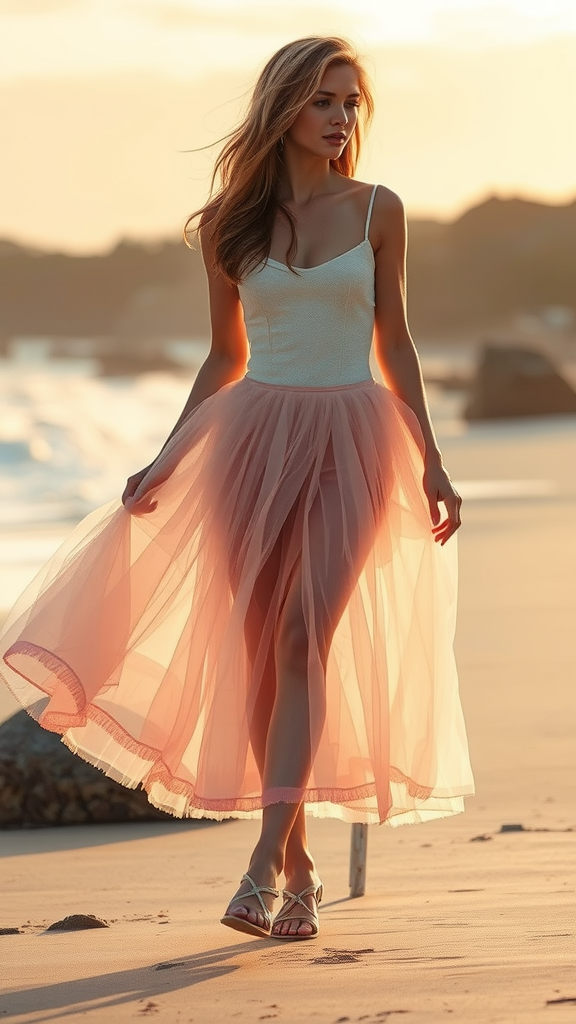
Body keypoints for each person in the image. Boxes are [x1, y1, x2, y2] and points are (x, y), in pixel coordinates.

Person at [0, 36, 474, 942]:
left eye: (350, 105)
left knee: (304, 635)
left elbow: (396, 343)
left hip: (353, 440)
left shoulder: (379, 209)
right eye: (325, 102)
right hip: (247, 445)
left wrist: (432, 458)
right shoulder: (227, 224)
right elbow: (226, 356)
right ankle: (299, 867)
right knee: (262, 655)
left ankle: (260, 863)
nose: (341, 121)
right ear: (284, 108)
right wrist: (169, 454)